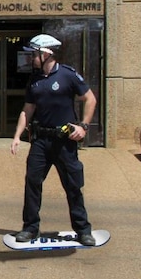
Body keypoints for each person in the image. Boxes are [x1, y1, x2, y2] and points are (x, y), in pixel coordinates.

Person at [10, 34, 97, 246]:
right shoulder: (35, 80)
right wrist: (17, 136)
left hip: (64, 141)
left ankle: (83, 229)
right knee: (32, 182)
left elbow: (90, 98)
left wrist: (83, 126)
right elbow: (27, 110)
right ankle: (30, 228)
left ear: (46, 53)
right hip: (40, 140)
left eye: (34, 54)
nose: (32, 58)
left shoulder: (68, 75)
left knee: (73, 185)